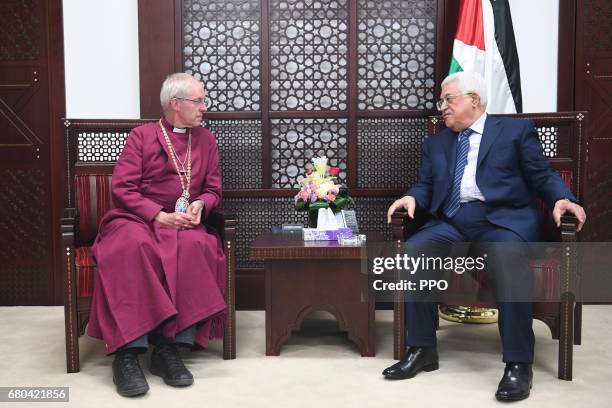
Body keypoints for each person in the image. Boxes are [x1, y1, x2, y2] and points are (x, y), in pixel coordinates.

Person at [382, 71, 586, 401]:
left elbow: (542, 174)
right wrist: (412, 197)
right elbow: (426, 184)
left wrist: (563, 198)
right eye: (442, 101)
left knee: (507, 258)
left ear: (473, 100)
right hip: (450, 220)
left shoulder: (515, 131)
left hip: (501, 222)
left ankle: (519, 364)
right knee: (413, 252)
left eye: (448, 100)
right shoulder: (436, 143)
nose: (442, 108)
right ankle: (422, 349)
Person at [87, 73, 227, 397]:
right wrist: (158, 215)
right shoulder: (142, 136)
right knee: (130, 247)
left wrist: (199, 206)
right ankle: (128, 352)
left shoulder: (206, 139)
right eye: (199, 101)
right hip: (137, 218)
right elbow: (122, 188)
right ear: (175, 104)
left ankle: (168, 349)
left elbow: (214, 189)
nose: (204, 107)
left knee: (196, 247)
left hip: (183, 222)